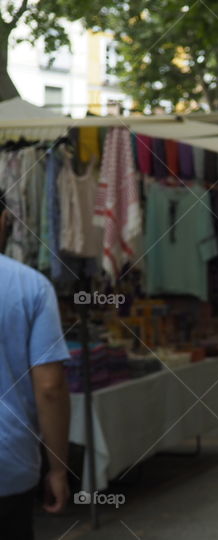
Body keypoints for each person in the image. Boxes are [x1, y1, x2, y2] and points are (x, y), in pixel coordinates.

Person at [0, 190, 71, 539]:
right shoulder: (32, 287)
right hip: (9, 464)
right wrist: (58, 469)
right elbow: (50, 387)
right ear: (4, 221)